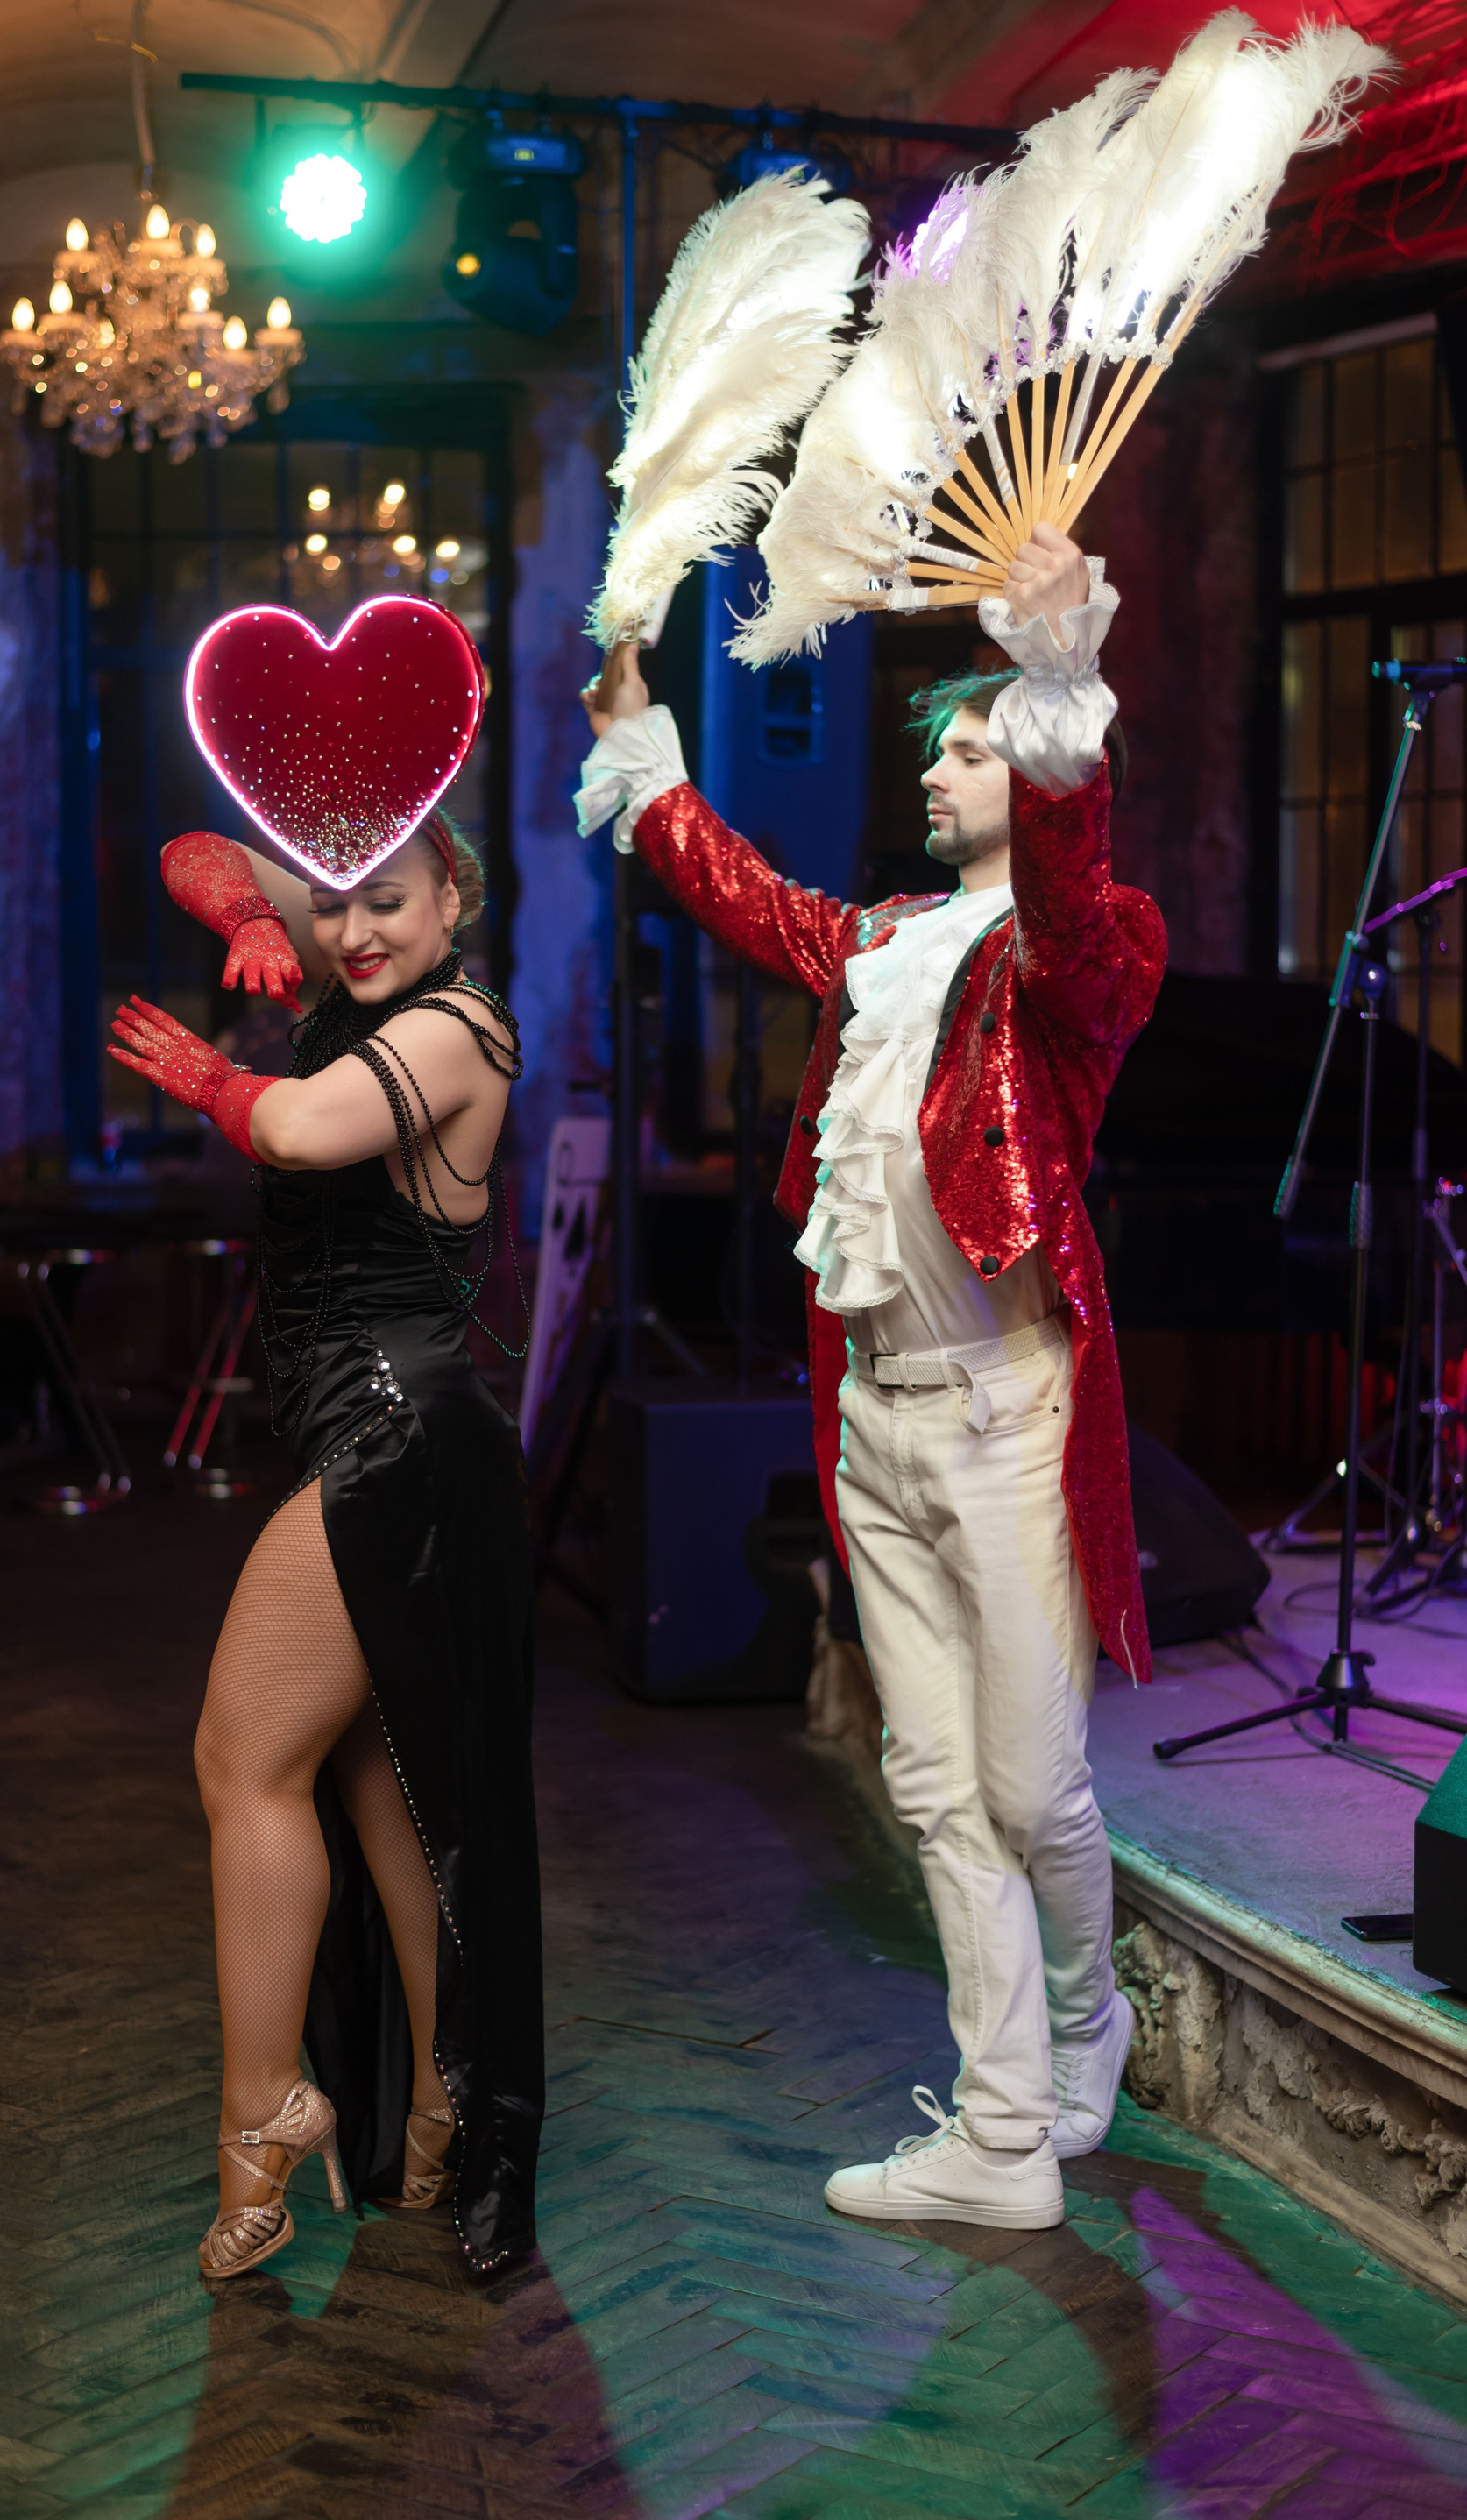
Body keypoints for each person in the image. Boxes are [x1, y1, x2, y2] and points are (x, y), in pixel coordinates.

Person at [577, 521, 1166, 2233]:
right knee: (931, 1786)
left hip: (1004, 1413)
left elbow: (1070, 892)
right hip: (876, 1422)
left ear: (1034, 769)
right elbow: (749, 898)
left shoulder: (1084, 952)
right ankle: (1000, 2136)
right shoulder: (889, 941)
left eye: (968, 748)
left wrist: (1055, 674)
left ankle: (1087, 2021)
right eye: (938, 749)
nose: (933, 768)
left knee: (1033, 1788)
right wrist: (645, 744)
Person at [107, 811, 542, 2277]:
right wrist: (252, 911)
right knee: (385, 1792)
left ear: (454, 899)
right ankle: (439, 2100)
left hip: (399, 1442)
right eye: (335, 902)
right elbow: (188, 848)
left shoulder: (462, 1028)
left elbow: (295, 1129)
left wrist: (209, 1077)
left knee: (239, 1761)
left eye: (390, 902)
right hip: (364, 1436)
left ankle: (267, 2106)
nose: (353, 930)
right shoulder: (358, 960)